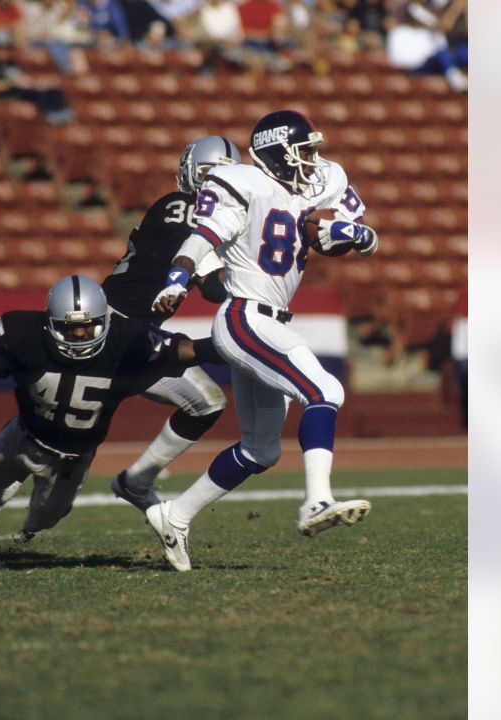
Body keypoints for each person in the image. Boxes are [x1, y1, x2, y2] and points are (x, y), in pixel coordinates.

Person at [148, 110, 380, 571]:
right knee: (325, 390)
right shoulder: (243, 184)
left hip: (267, 321)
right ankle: (317, 501)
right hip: (245, 316)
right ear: (278, 153)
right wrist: (178, 278)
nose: (314, 160)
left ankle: (174, 515)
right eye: (305, 151)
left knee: (261, 449)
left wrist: (353, 235)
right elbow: (204, 235)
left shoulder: (318, 184)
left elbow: (340, 236)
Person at [0, 274, 222, 569]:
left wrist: (237, 345)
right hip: (23, 434)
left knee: (42, 520)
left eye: (88, 325)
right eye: (70, 327)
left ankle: (21, 527)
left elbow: (188, 350)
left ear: (106, 320)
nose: (80, 335)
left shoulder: (126, 341)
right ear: (50, 322)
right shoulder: (21, 332)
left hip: (71, 461)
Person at [102, 136, 242, 515]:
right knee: (51, 454)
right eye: (209, 176)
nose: (216, 186)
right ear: (190, 174)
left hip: (141, 340)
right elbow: (213, 288)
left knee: (207, 403)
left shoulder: (216, 223)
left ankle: (137, 481)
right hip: (106, 333)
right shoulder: (180, 207)